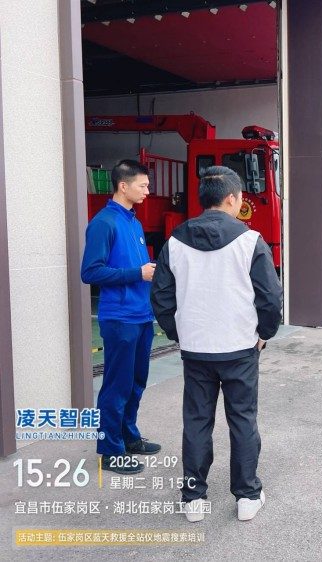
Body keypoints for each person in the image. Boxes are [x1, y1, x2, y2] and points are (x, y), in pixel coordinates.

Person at [151, 166, 282, 523]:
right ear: (232, 199)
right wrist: (264, 334)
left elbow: (161, 297)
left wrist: (179, 333)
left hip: (196, 349)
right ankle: (247, 496)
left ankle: (193, 499)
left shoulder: (175, 242)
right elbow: (270, 297)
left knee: (197, 421)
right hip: (239, 347)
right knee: (242, 419)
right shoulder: (250, 241)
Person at [81, 160, 162, 475]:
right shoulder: (104, 223)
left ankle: (129, 436)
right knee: (117, 386)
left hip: (141, 316)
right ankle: (110, 451)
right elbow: (90, 272)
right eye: (143, 185)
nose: (147, 191)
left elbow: (137, 268)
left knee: (136, 382)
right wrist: (137, 273)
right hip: (119, 318)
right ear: (123, 186)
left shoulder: (133, 222)